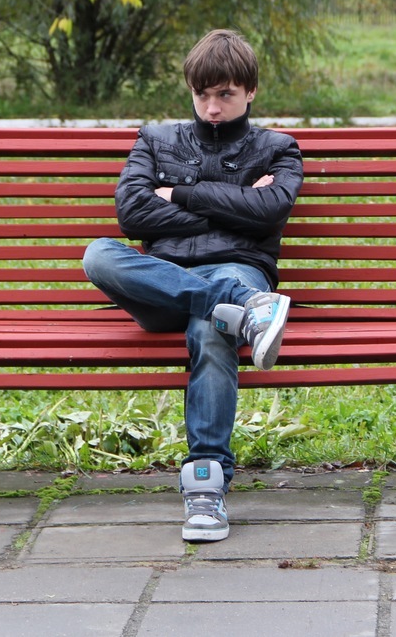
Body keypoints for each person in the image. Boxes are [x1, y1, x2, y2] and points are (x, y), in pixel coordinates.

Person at [82, 29, 304, 542]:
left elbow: (271, 210)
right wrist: (236, 203)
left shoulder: (277, 148)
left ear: (251, 91)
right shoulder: (155, 140)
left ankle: (206, 485)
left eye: (225, 94)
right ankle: (249, 308)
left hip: (236, 268)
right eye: (202, 95)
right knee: (98, 255)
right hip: (163, 285)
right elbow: (132, 214)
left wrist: (178, 194)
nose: (212, 108)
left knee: (212, 328)